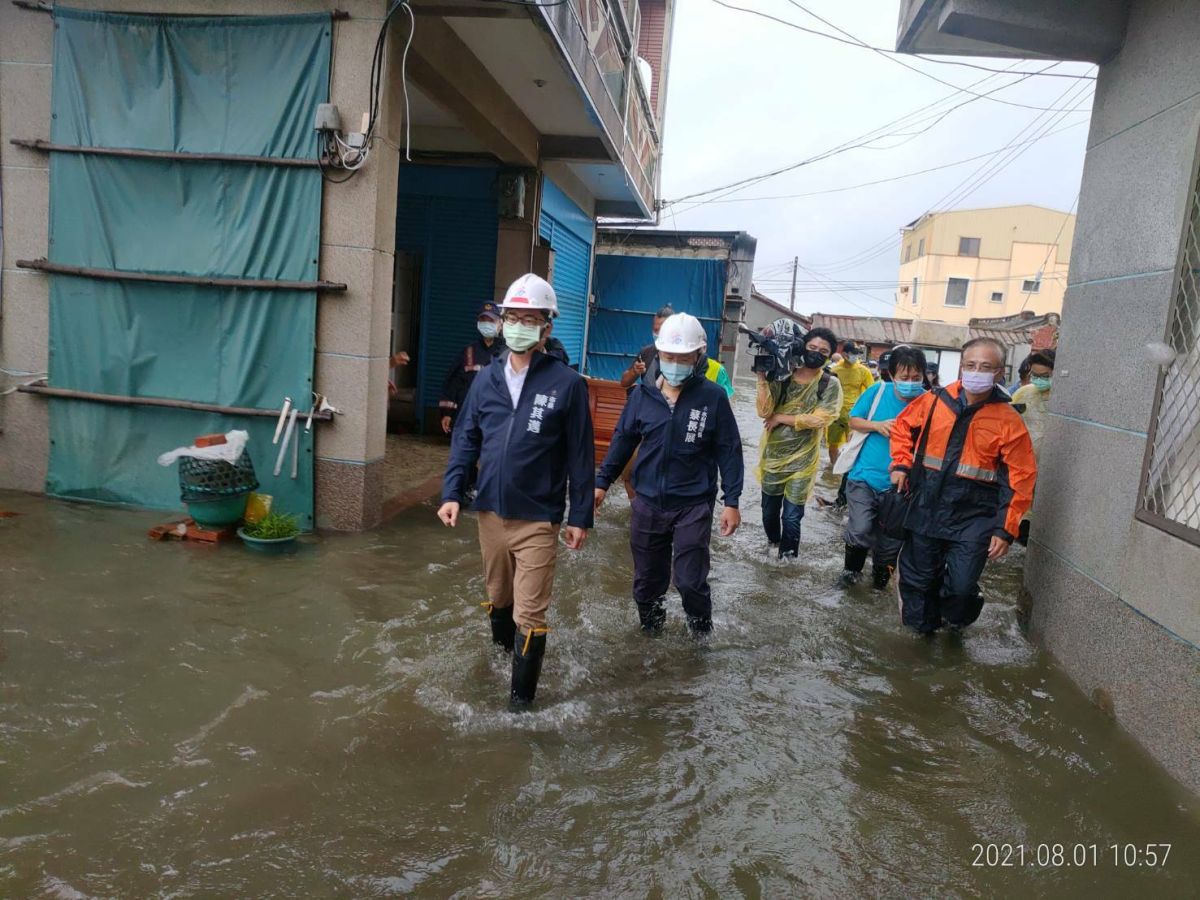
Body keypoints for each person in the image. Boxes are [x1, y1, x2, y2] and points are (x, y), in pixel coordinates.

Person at [438, 274, 594, 709]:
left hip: (538, 517)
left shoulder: (566, 384)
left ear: (546, 328)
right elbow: (466, 439)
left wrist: (580, 516)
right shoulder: (485, 380)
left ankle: (519, 708)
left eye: (531, 319)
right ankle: (500, 661)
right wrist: (452, 492)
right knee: (499, 598)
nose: (519, 326)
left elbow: (581, 456)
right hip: (489, 510)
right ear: (503, 322)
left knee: (530, 612)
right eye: (513, 318)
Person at [595, 313, 744, 635]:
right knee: (647, 583)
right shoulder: (641, 396)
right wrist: (601, 483)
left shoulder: (712, 397)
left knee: (690, 581)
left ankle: (700, 636)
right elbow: (623, 441)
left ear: (698, 357)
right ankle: (652, 635)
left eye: (683, 357)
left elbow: (729, 450)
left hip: (693, 503)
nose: (674, 363)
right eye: (668, 357)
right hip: (648, 501)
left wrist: (731, 500)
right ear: (658, 355)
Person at [889, 337, 1037, 634]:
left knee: (961, 588)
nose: (976, 371)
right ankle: (921, 642)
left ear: (999, 373)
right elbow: (903, 427)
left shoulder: (1008, 419)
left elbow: (1021, 476)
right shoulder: (934, 401)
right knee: (918, 582)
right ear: (961, 366)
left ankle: (956, 621)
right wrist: (901, 464)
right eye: (970, 365)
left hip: (974, 517)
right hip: (925, 506)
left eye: (986, 366)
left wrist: (1005, 530)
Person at [838, 346, 929, 590]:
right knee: (860, 528)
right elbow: (853, 420)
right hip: (864, 477)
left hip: (903, 485)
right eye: (904, 378)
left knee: (890, 542)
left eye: (916, 378)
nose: (911, 383)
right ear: (891, 374)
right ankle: (850, 575)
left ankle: (879, 585)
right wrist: (877, 426)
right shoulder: (877, 392)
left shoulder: (929, 402)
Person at [757, 327, 842, 558]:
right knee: (769, 513)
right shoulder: (783, 374)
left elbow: (821, 418)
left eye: (823, 351)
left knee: (792, 516)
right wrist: (762, 377)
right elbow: (764, 411)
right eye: (812, 347)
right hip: (773, 456)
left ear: (829, 355)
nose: (816, 353)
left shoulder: (829, 383)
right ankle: (773, 545)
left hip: (804, 460)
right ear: (802, 347)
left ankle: (787, 564)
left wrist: (781, 418)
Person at [620, 305, 734, 399]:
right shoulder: (647, 353)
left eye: (684, 359)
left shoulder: (715, 380)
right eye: (668, 358)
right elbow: (624, 382)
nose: (674, 367)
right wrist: (634, 372)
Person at [1010, 349, 1054, 546]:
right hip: (1025, 468)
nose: (1039, 380)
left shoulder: (1064, 398)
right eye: (1035, 375)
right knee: (1022, 520)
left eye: (1045, 376)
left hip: (1053, 471)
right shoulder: (1024, 393)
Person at [439, 302, 505, 434]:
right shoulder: (468, 351)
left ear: (500, 323)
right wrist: (447, 413)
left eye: (491, 320)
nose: (487, 324)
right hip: (468, 417)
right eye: (483, 320)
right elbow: (454, 383)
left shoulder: (507, 352)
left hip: (496, 419)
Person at [827, 342, 875, 469]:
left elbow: (871, 392)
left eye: (857, 354)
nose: (855, 357)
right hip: (835, 415)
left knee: (853, 445)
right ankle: (833, 471)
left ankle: (848, 472)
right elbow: (827, 392)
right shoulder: (834, 370)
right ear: (844, 354)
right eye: (853, 354)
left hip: (854, 415)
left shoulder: (863, 371)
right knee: (832, 445)